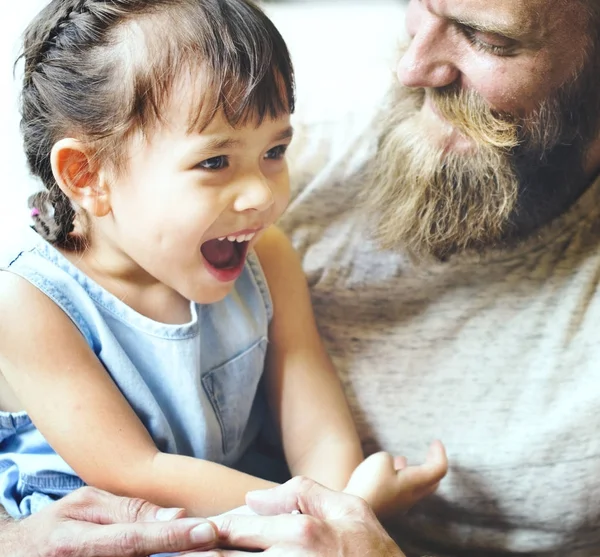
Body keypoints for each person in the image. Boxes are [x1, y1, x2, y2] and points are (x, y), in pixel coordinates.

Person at [4, 0, 600, 554]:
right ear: (86, 175)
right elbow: (135, 474)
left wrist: (342, 493)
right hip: (112, 522)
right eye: (216, 162)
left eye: (276, 150)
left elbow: (312, 416)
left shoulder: (270, 259)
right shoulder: (30, 303)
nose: (263, 194)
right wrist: (334, 511)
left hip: (252, 511)